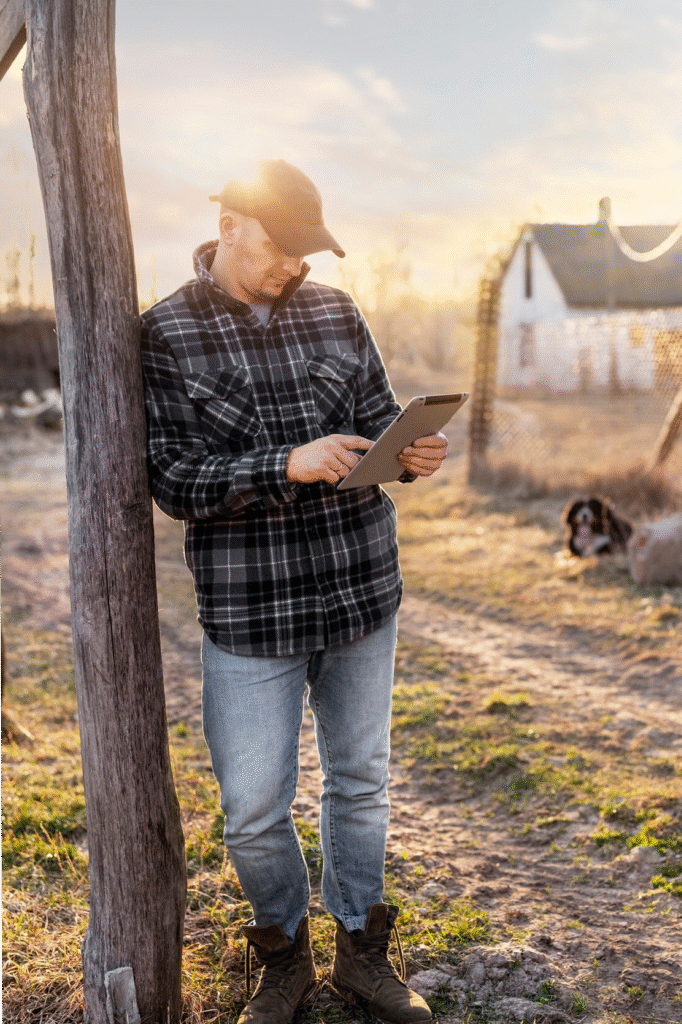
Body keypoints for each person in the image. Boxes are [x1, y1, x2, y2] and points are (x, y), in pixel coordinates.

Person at [140, 160, 447, 1024]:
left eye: (305, 251)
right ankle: (284, 959)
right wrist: (284, 463)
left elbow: (377, 419)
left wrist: (409, 454)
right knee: (251, 811)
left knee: (360, 783)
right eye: (280, 247)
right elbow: (173, 479)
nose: (292, 266)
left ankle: (360, 952)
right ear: (229, 225)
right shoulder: (164, 333)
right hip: (251, 610)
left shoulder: (335, 311)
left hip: (359, 589)